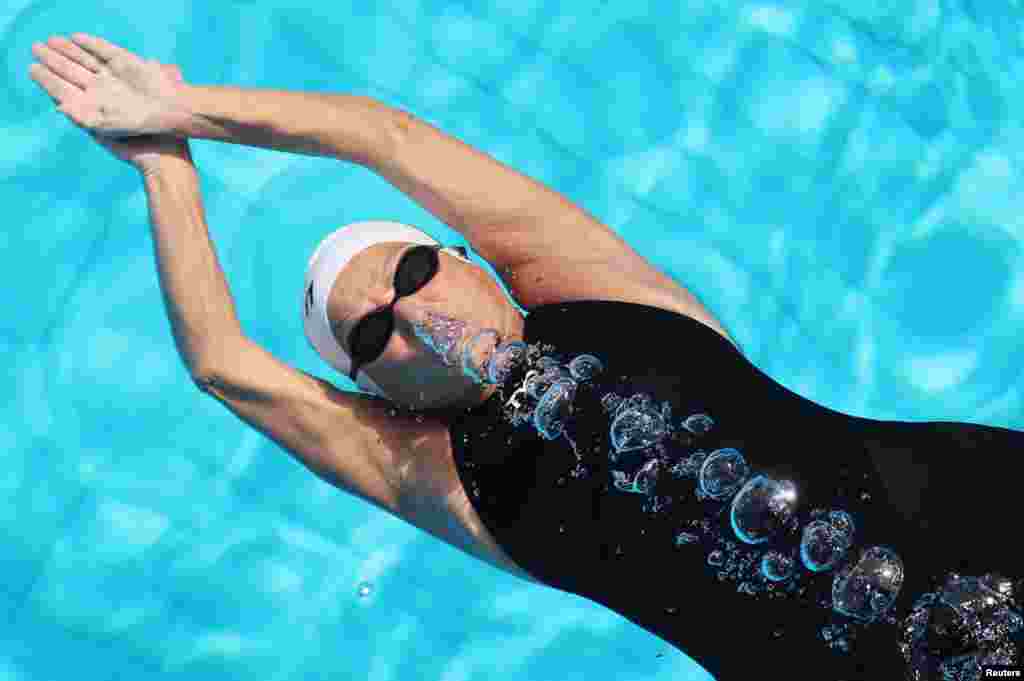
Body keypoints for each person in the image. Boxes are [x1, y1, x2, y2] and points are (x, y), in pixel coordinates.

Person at [29, 33, 1022, 680]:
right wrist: (164, 171)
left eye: (411, 269)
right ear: (376, 391)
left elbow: (386, 136)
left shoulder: (601, 295)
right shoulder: (440, 479)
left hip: (979, 498)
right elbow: (220, 363)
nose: (405, 312)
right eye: (371, 334)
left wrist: (182, 107)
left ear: (466, 257)